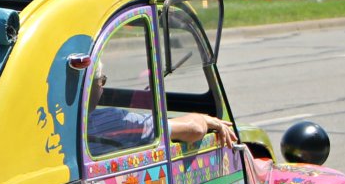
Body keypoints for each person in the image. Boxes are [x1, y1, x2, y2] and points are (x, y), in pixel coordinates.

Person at [86, 61, 236, 154]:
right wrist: (206, 119)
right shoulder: (115, 121)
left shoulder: (64, 127)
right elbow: (195, 129)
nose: (102, 88)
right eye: (101, 81)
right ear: (90, 87)